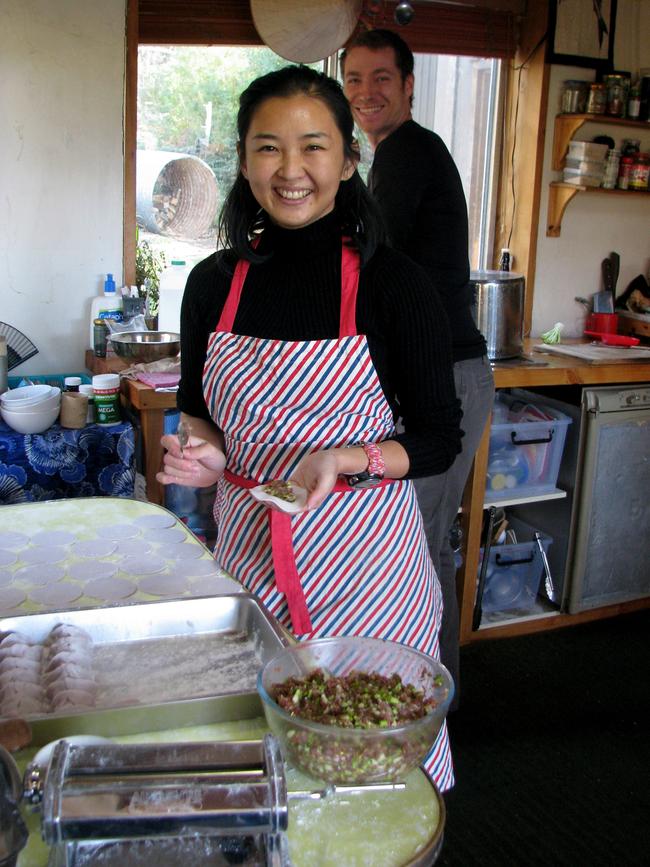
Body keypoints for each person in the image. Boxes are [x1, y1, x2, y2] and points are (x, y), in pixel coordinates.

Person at [156, 65, 461, 790]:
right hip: (251, 564)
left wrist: (347, 457)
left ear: (349, 159)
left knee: (371, 769)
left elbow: (438, 436)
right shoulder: (212, 284)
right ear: (244, 159)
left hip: (371, 576)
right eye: (268, 147)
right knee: (263, 764)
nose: (290, 170)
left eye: (312, 146)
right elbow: (201, 411)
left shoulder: (395, 284)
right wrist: (201, 455)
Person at [341, 29, 495, 708]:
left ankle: (426, 701)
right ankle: (431, 694)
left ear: (408, 86)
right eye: (353, 79)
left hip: (448, 376)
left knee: (420, 545)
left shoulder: (405, 153)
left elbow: (367, 260)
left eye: (381, 78)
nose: (367, 92)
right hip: (443, 373)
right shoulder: (395, 156)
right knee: (422, 542)